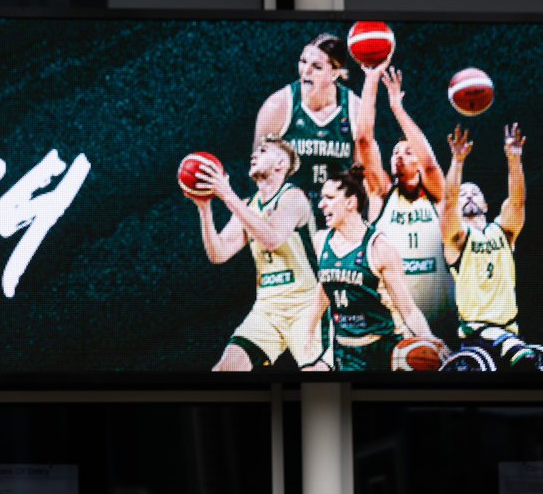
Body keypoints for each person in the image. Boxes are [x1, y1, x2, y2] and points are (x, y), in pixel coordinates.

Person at [189, 135, 324, 370]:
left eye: (262, 151)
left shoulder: (293, 197)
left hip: (305, 306)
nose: (253, 155)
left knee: (318, 386)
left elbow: (272, 238)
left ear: (280, 164)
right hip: (268, 307)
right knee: (226, 368)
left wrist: (227, 194)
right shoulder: (248, 205)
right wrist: (205, 208)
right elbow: (218, 254)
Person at [354, 60, 455, 332]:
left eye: (407, 152)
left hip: (442, 314)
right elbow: (363, 139)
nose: (399, 155)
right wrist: (371, 79)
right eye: (395, 152)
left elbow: (431, 164)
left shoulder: (434, 193)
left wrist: (398, 108)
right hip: (395, 318)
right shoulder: (382, 193)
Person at [314, 166, 448, 372]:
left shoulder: (379, 247)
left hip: (385, 347)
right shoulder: (321, 240)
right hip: (346, 350)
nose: (321, 204)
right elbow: (325, 291)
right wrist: (306, 338)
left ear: (350, 202)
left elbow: (408, 308)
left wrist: (428, 336)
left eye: (329, 198)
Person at [439, 124, 540, 371]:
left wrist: (514, 159)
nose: (469, 195)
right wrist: (457, 161)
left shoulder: (503, 232)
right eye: (464, 194)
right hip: (477, 338)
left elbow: (517, 201)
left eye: (475, 192)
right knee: (523, 359)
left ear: (485, 205)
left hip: (509, 331)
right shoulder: (456, 240)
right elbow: (449, 201)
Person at [254, 33, 361, 223]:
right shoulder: (278, 106)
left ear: (335, 73)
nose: (306, 71)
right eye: (303, 62)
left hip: (338, 216)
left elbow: (362, 173)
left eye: (317, 67)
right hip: (289, 215)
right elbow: (258, 169)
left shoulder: (355, 109)